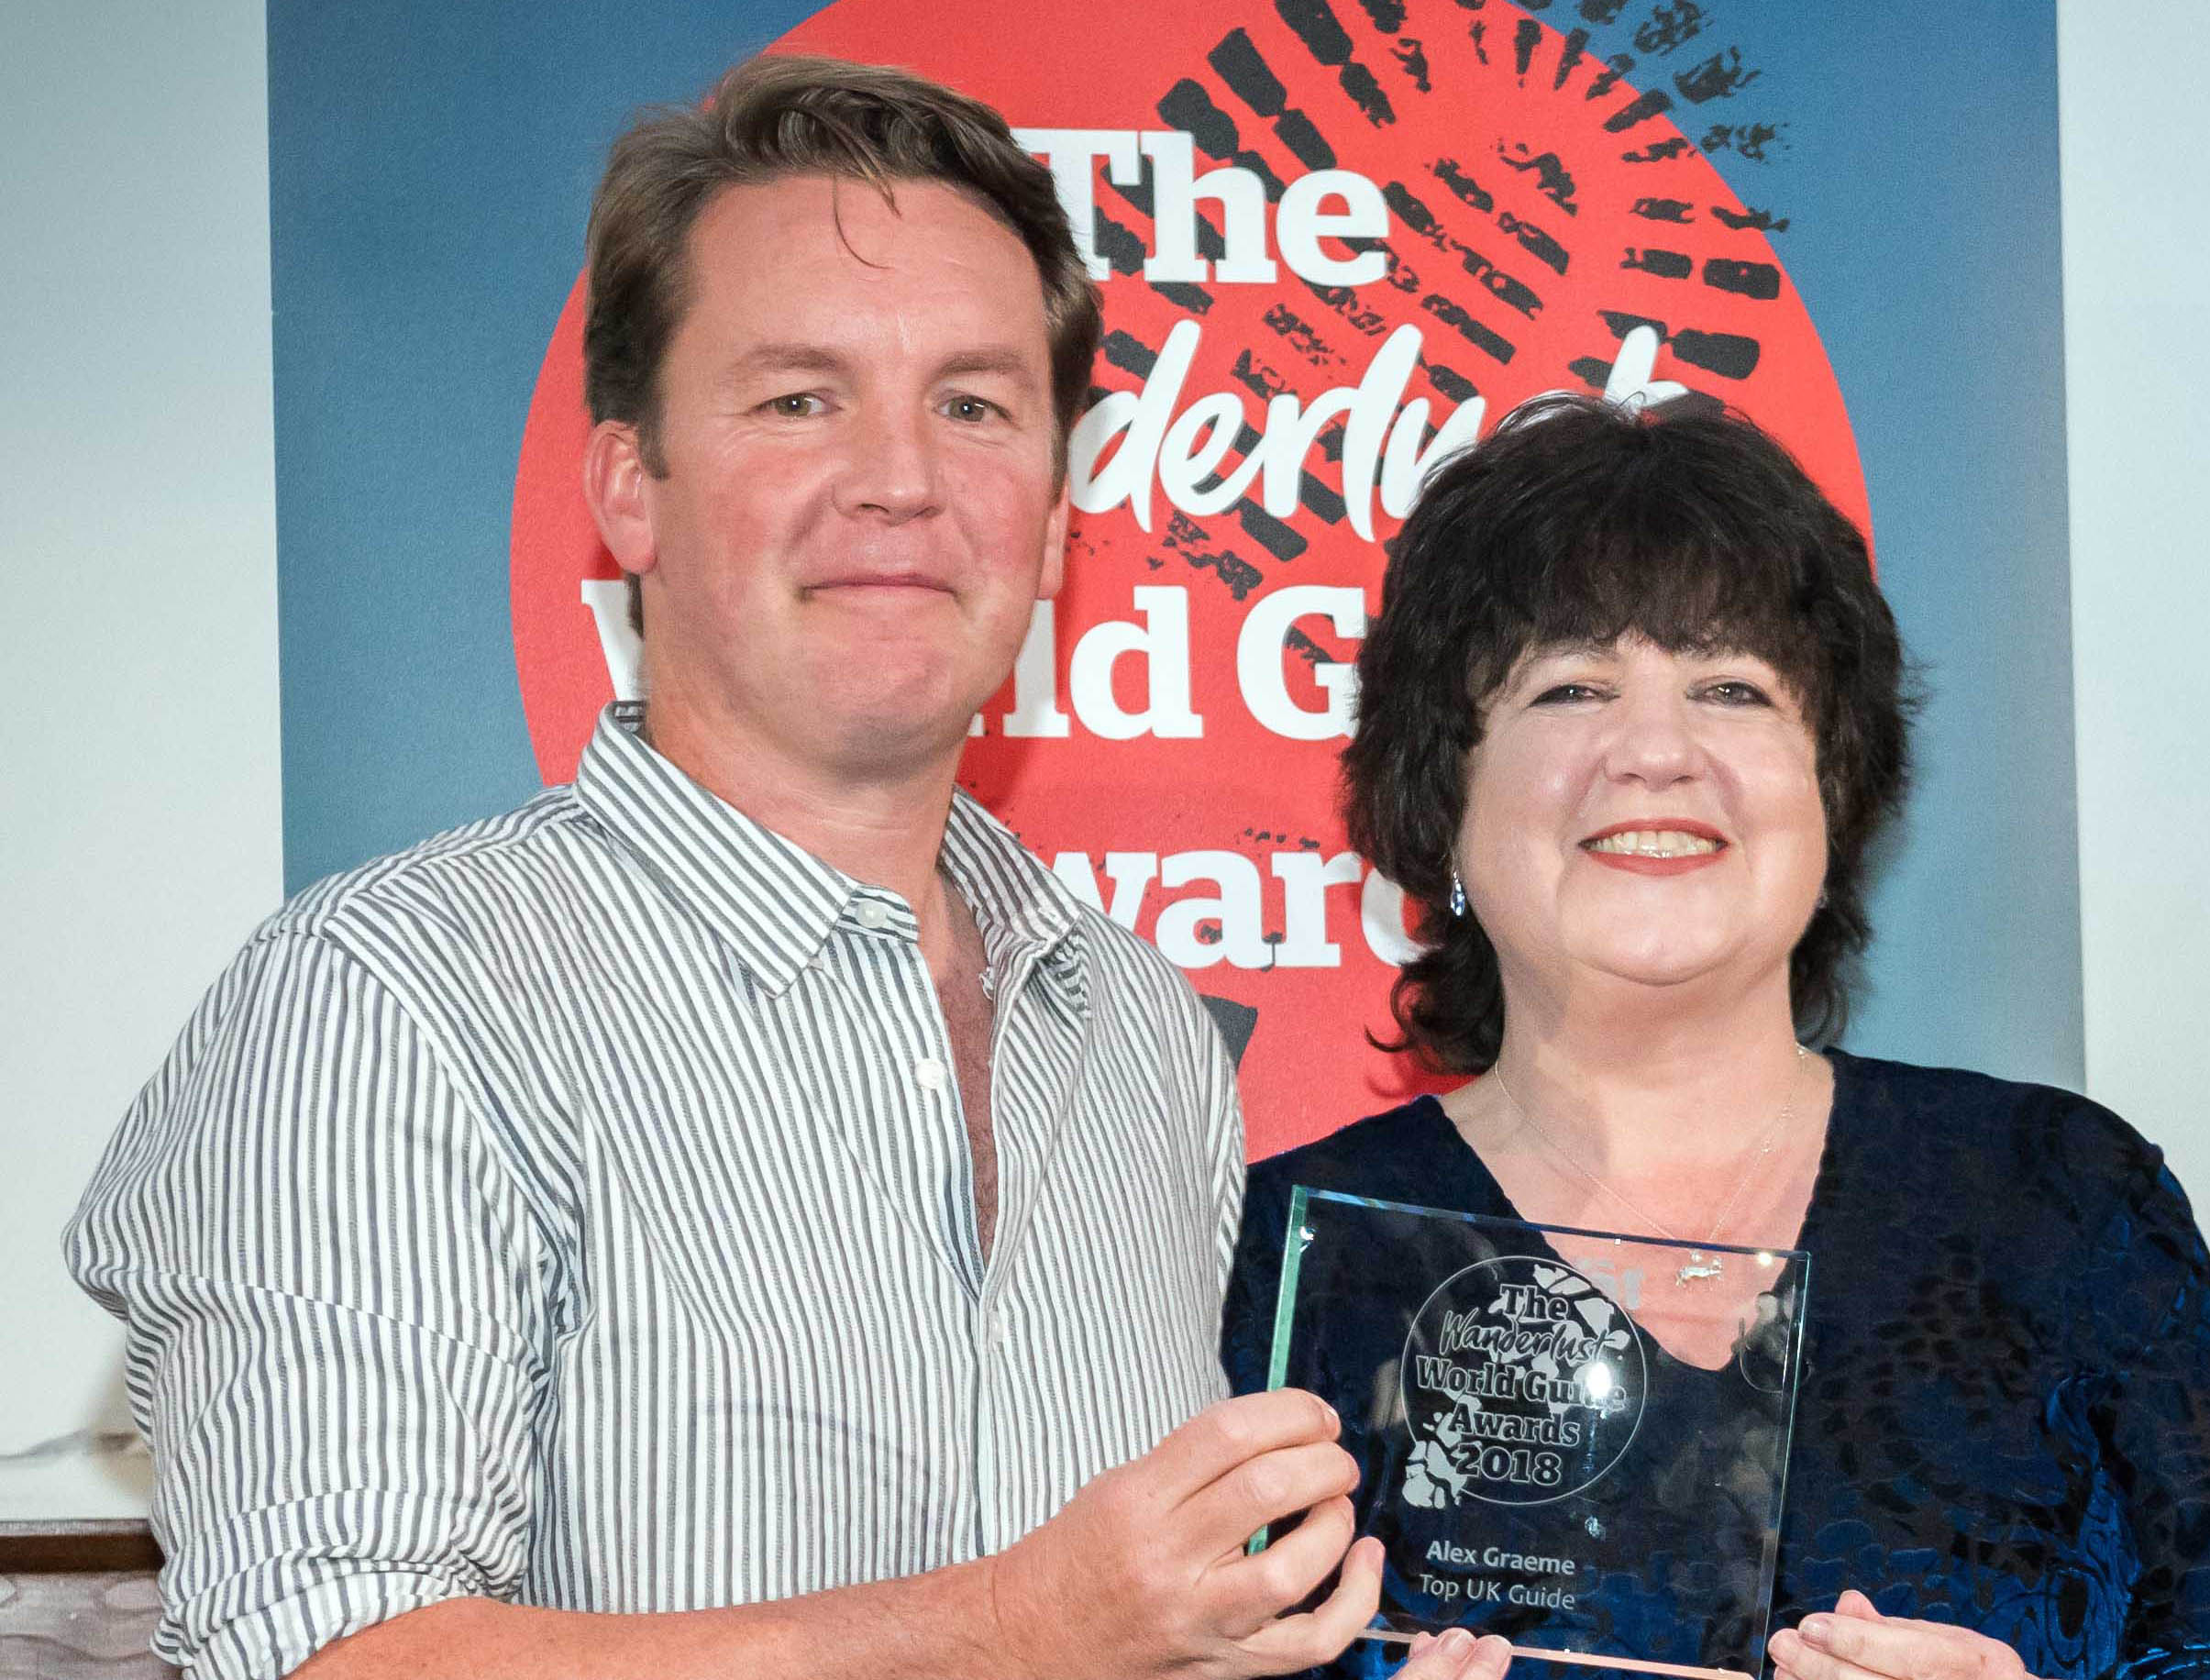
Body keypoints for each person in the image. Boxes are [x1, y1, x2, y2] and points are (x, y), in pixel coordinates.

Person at [67, 56, 1410, 1680]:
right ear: (631, 486)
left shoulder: (1131, 1026)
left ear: (1059, 516)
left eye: (976, 405)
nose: (901, 478)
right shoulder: (392, 998)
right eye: (799, 398)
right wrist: (1015, 1629)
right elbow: (336, 1656)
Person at [1221, 394, 2210, 1680]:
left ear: (1832, 793)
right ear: (1440, 803)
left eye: (1731, 688)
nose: (1654, 751)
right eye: (1571, 686)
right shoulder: (1279, 1261)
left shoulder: (2061, 1199)